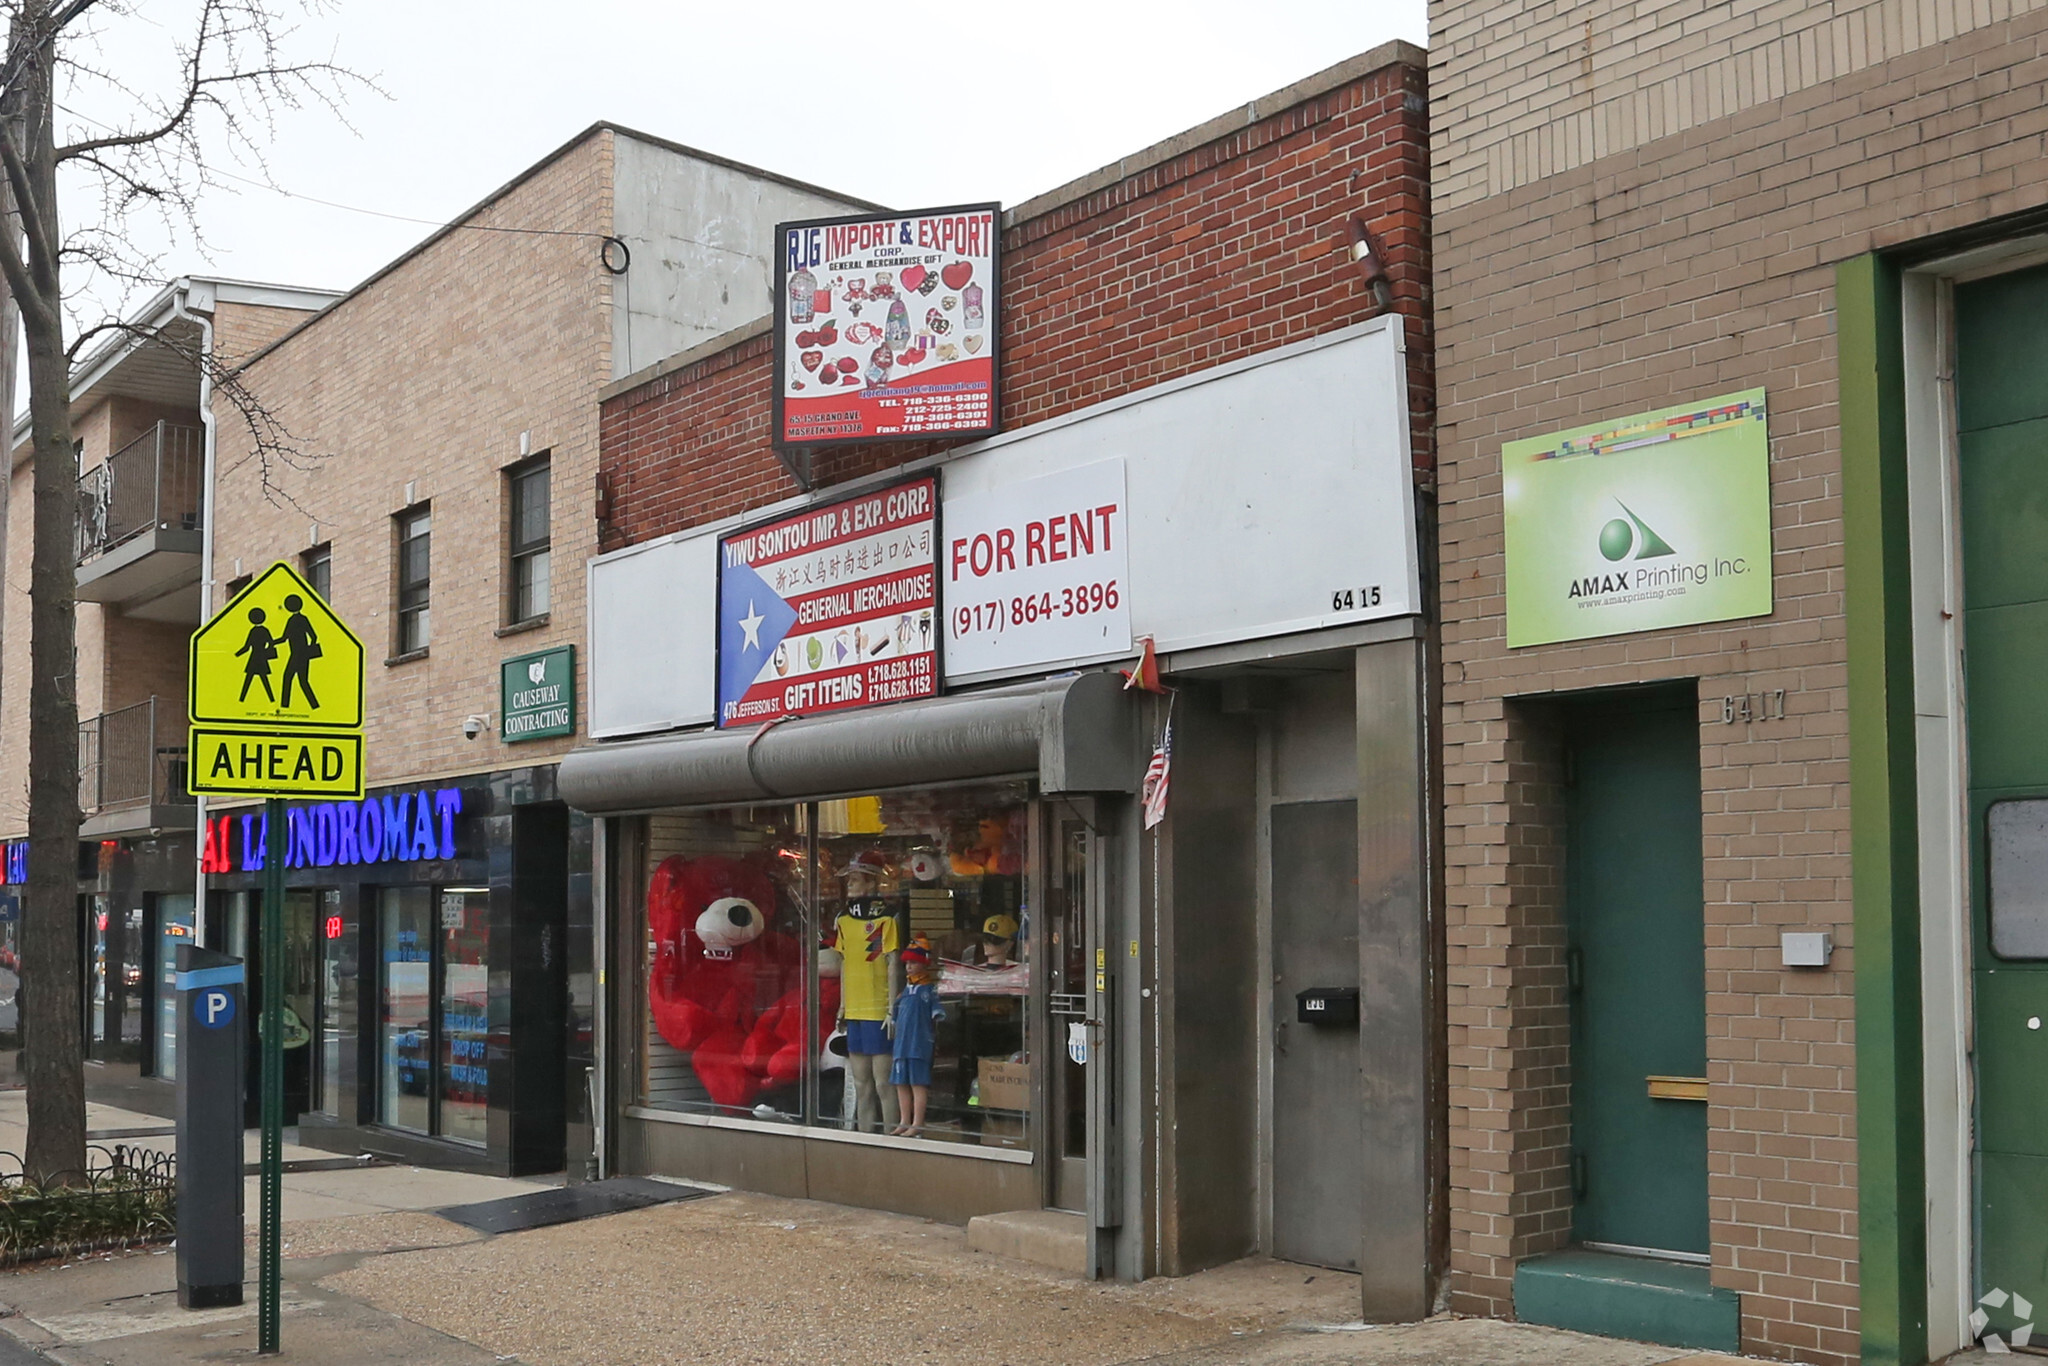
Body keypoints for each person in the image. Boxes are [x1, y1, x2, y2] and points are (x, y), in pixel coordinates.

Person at [890, 934, 945, 1138]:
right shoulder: (905, 992)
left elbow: (938, 1014)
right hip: (901, 1045)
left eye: (914, 962)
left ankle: (918, 1122)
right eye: (907, 963)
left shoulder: (928, 990)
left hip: (919, 1044)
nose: (909, 967)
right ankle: (904, 1120)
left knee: (918, 1084)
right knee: (900, 1082)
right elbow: (895, 1015)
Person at [278, 594, 322, 710]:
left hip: (296, 655)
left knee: (287, 677)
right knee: (303, 681)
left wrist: (272, 643)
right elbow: (313, 636)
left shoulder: (292, 620)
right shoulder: (303, 619)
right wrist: (309, 650)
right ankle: (314, 705)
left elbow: (284, 638)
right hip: (303, 655)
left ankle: (284, 706)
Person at [235, 608, 277, 702]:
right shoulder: (265, 630)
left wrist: (236, 655)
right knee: (264, 679)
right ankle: (272, 699)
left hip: (254, 658)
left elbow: (247, 647)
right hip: (262, 658)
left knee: (248, 679)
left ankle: (242, 699)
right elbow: (271, 643)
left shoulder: (253, 631)